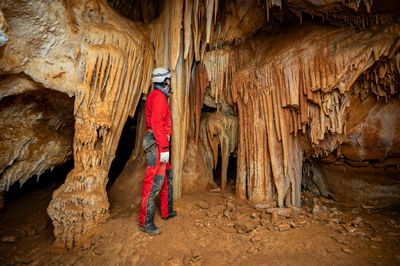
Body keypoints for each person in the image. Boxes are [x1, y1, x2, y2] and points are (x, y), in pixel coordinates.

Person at [139, 67, 177, 235]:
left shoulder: (157, 96)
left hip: (159, 141)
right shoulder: (159, 97)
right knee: (153, 182)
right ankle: (145, 222)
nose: (170, 83)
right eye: (170, 80)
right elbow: (157, 124)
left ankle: (166, 211)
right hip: (156, 143)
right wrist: (163, 148)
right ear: (166, 81)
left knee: (167, 176)